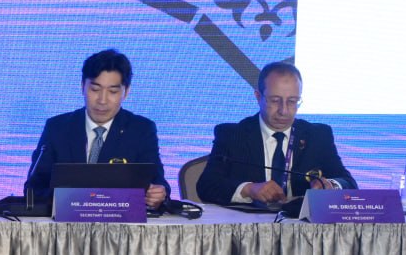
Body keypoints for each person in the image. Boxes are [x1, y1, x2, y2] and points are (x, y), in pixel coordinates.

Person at [25, 49, 170, 209]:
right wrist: (69, 200)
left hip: (120, 221)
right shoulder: (57, 127)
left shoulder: (141, 130)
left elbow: (158, 183)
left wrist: (157, 195)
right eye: (95, 89)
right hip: (65, 220)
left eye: (113, 91)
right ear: (82, 86)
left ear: (126, 92)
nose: (102, 100)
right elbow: (33, 189)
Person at [196, 62, 356, 206]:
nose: (284, 110)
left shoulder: (318, 136)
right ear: (258, 97)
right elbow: (207, 186)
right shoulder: (232, 135)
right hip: (249, 225)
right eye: (275, 101)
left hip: (302, 225)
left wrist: (331, 185)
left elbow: (349, 183)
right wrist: (249, 189)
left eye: (292, 101)